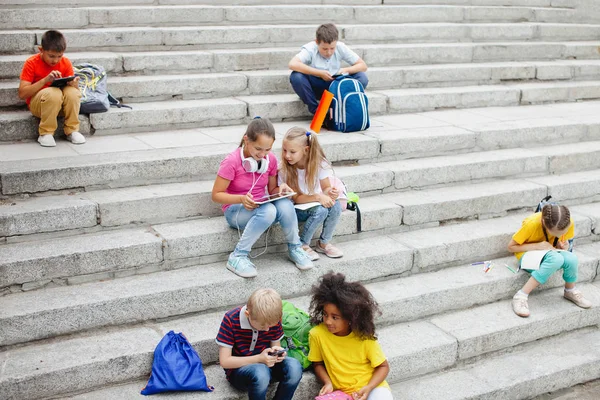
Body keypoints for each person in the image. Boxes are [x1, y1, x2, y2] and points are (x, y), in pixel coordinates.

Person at [211, 117, 313, 278]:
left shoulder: (269, 160)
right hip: (236, 210)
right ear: (246, 140)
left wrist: (282, 190)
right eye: (259, 149)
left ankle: (295, 248)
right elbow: (216, 195)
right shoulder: (231, 161)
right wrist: (241, 199)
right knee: (268, 211)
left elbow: (271, 189)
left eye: (268, 149)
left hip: (261, 206)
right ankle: (238, 256)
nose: (263, 154)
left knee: (285, 204)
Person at [308, 272, 392, 400]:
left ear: (350, 318)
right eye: (325, 314)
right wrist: (327, 382)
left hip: (372, 388)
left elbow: (383, 366)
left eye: (335, 317)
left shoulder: (364, 337)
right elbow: (317, 364)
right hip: (343, 393)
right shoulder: (317, 334)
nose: (328, 321)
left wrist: (369, 388)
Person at [216, 288, 303, 400]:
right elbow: (225, 361)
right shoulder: (231, 319)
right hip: (240, 371)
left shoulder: (272, 318)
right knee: (261, 373)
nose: (267, 330)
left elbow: (275, 345)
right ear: (248, 314)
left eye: (271, 326)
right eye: (262, 326)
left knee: (295, 367)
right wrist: (259, 359)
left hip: (267, 366)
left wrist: (278, 354)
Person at [509, 204, 592, 317]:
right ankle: (520, 296)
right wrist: (537, 246)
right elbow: (511, 247)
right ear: (544, 223)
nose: (561, 235)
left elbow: (563, 244)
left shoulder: (567, 222)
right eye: (555, 233)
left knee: (571, 258)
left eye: (563, 232)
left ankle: (570, 290)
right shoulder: (532, 223)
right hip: (527, 254)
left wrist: (564, 247)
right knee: (556, 259)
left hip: (549, 253)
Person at [278, 127, 343, 260]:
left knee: (335, 206)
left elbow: (325, 188)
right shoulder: (286, 168)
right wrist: (318, 197)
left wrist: (330, 193)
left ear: (306, 150)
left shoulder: (319, 163)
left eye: (292, 152)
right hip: (297, 208)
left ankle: (323, 243)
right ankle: (302, 244)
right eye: (285, 150)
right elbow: (296, 199)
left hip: (314, 203)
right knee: (321, 211)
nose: (287, 155)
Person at [18, 30, 85, 147]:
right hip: (39, 106)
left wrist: (74, 86)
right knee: (53, 92)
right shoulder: (31, 63)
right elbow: (22, 94)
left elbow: (74, 94)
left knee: (72, 93)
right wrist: (45, 80)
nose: (55, 60)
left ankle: (72, 130)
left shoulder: (65, 62)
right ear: (41, 50)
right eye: (51, 56)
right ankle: (46, 133)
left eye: (59, 56)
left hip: (60, 105)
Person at [288, 23, 368, 117]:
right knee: (296, 76)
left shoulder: (340, 47)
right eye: (324, 49)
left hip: (336, 85)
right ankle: (317, 111)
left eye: (332, 48)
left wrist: (345, 70)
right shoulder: (310, 48)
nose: (329, 52)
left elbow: (363, 66)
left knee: (361, 77)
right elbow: (292, 64)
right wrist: (319, 73)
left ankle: (339, 106)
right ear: (317, 42)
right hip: (316, 84)